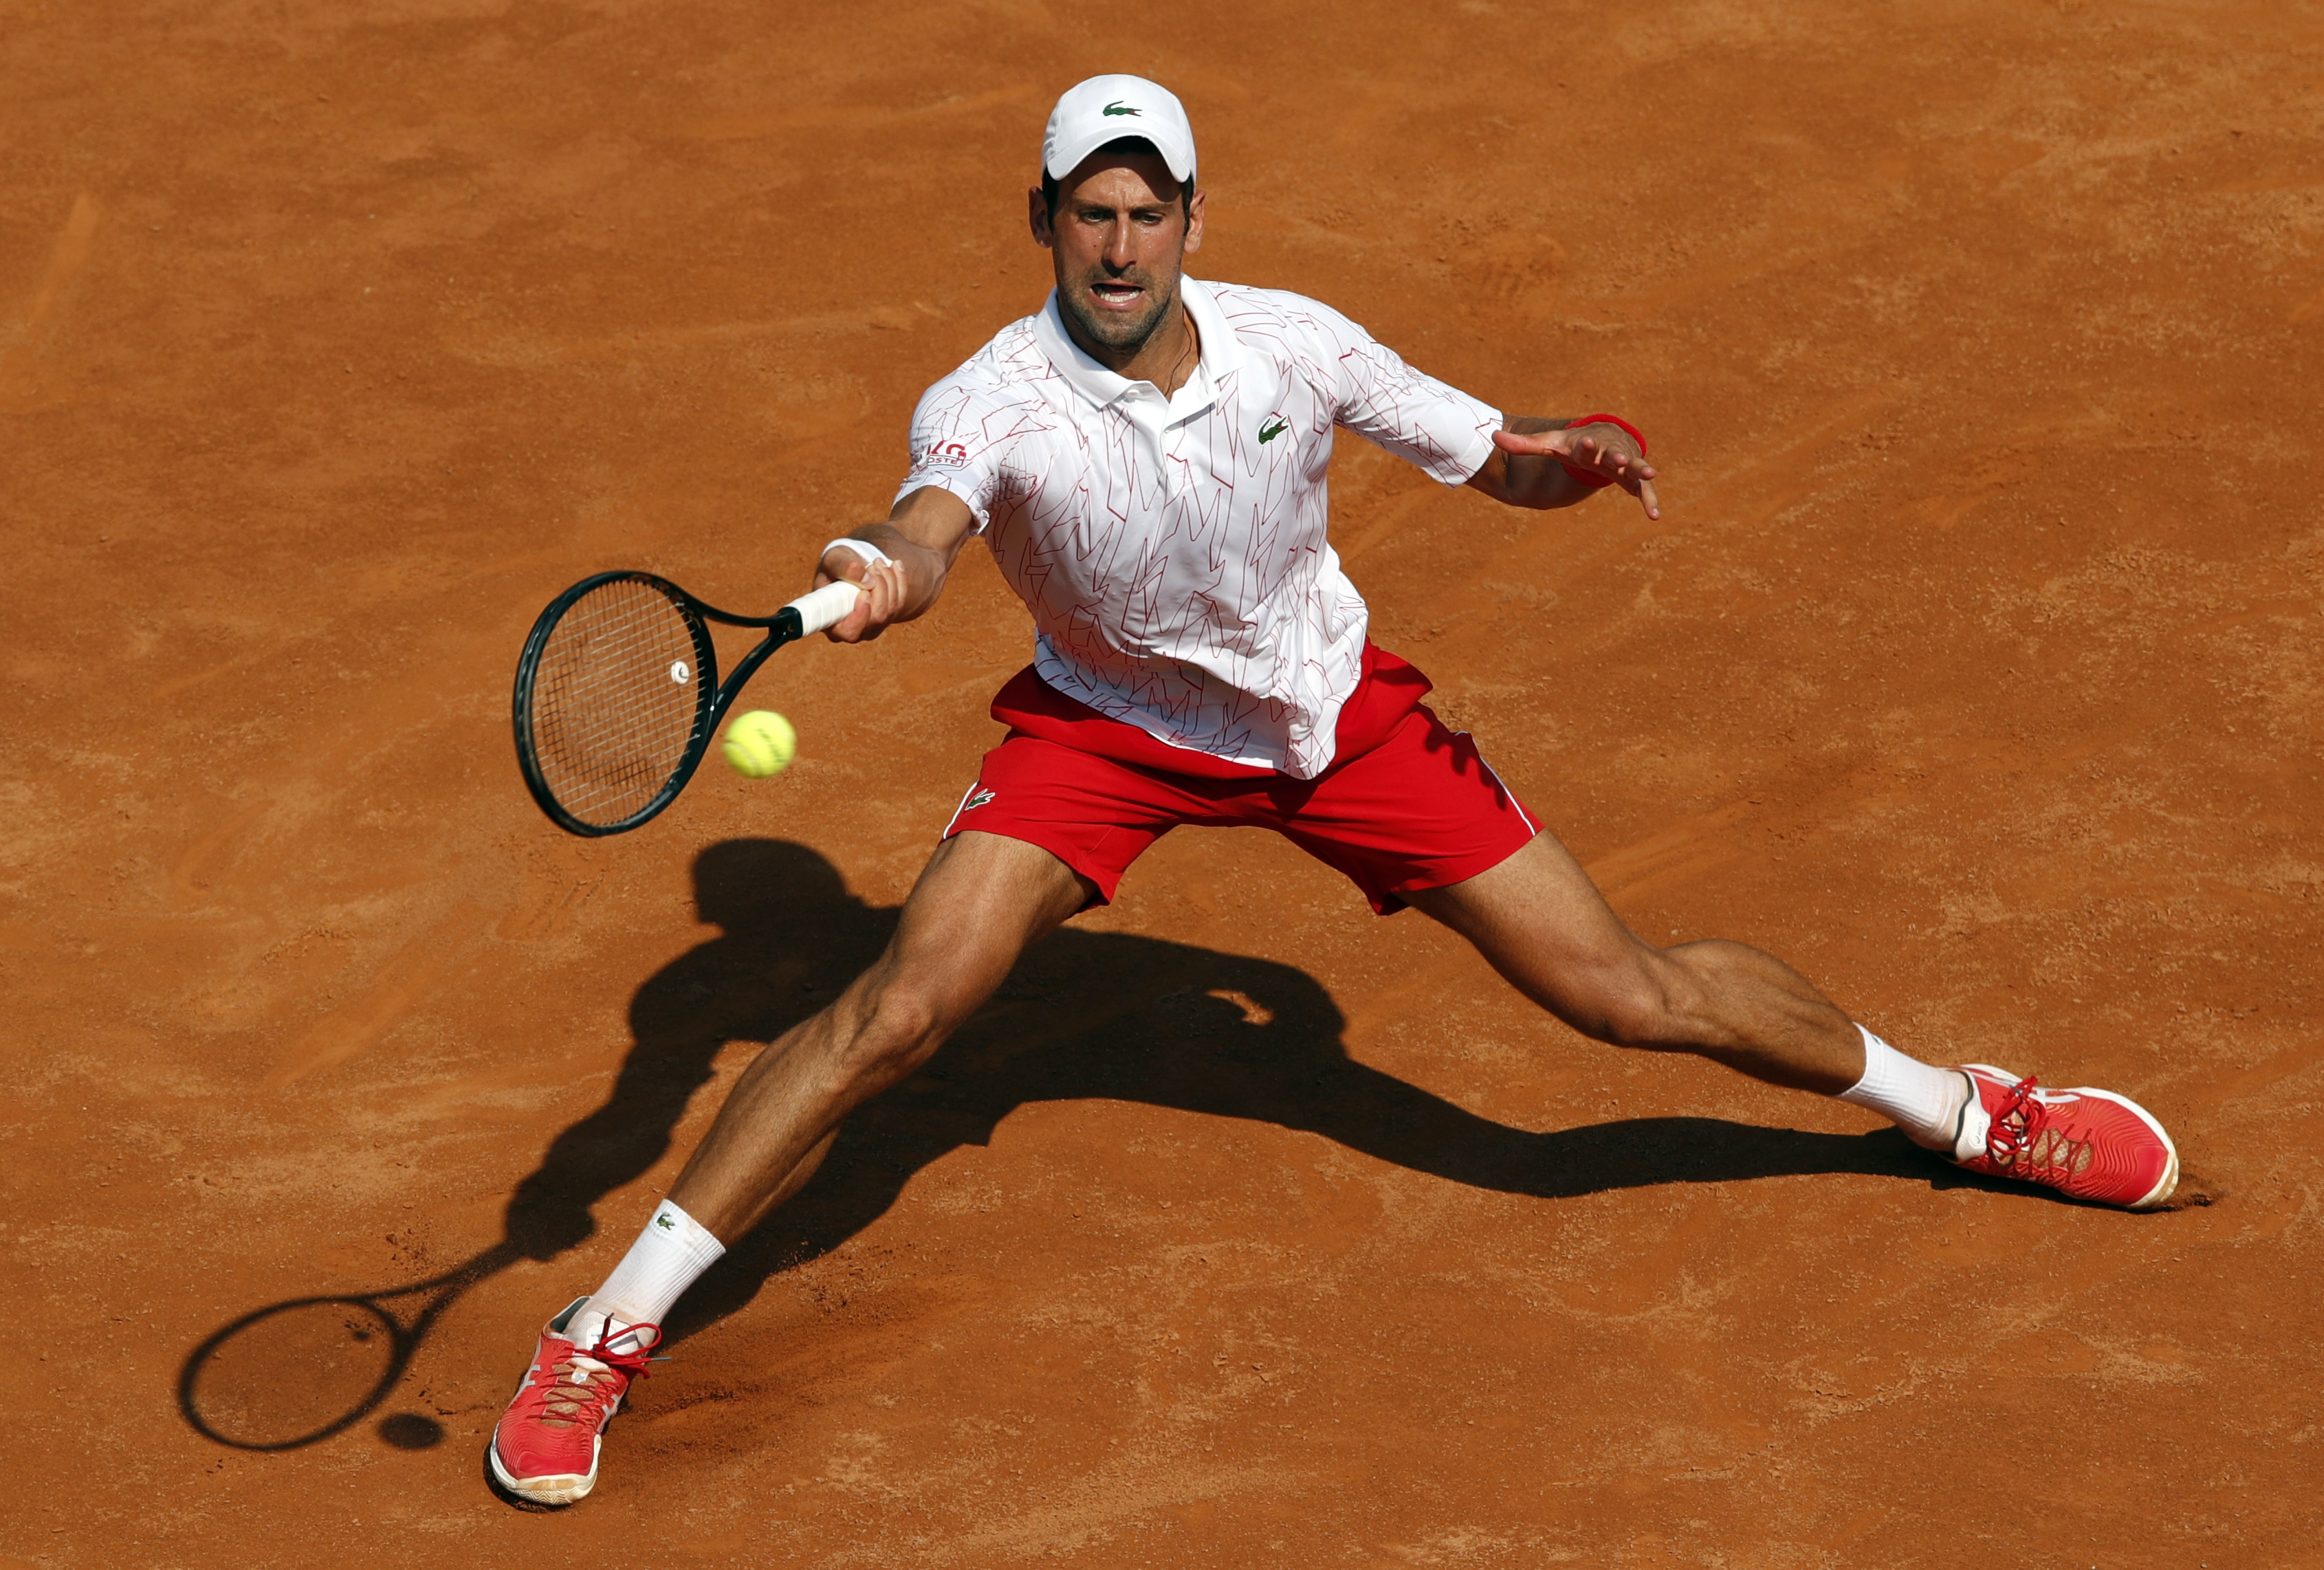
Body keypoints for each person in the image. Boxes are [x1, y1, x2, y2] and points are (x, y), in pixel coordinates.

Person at [487, 74, 2178, 1507]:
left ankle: (1969, 1111)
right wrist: (882, 564)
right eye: (1090, 215)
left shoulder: (1295, 346)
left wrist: (1566, 457)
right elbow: (926, 522)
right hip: (1104, 734)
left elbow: (1493, 453)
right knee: (898, 1009)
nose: (1120, 246)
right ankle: (599, 1333)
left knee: (1626, 993)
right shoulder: (991, 401)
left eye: (1148, 214)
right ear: (1044, 221)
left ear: (1190, 222)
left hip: (1328, 718)